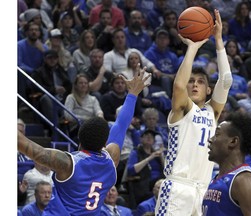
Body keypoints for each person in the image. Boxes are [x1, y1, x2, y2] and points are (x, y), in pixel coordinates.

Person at [18, 66, 151, 215]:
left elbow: (23, 144)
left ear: (79, 139)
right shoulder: (111, 159)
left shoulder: (68, 163)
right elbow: (121, 124)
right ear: (103, 143)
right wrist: (133, 94)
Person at [155, 9, 233, 215]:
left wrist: (218, 41)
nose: (195, 85)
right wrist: (192, 47)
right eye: (192, 81)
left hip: (203, 189)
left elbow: (226, 81)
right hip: (177, 188)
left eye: (200, 82)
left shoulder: (212, 112)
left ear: (209, 90)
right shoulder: (182, 108)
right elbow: (178, 87)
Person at [202, 112, 251, 215]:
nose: (210, 140)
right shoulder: (217, 178)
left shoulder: (244, 180)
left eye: (217, 134)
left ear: (233, 141)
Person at [127, 129, 165, 207]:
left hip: (159, 184)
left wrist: (162, 156)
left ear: (154, 141)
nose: (149, 137)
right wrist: (149, 158)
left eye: (151, 137)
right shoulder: (136, 152)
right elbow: (131, 170)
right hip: (144, 186)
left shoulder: (156, 155)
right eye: (146, 136)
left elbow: (167, 171)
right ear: (141, 139)